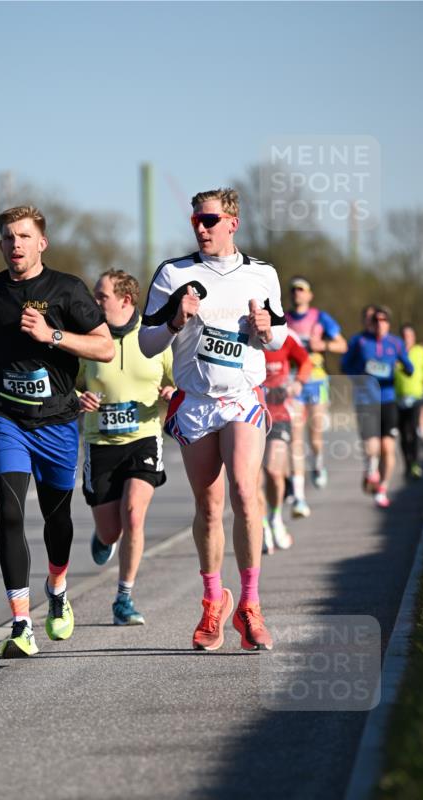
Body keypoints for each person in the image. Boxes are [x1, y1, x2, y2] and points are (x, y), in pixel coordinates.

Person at [139, 187, 288, 652]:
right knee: (208, 507)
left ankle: (250, 604)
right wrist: (175, 323)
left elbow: (279, 338)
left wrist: (266, 330)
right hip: (196, 402)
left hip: (242, 397)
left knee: (245, 492)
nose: (201, 228)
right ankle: (212, 600)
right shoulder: (173, 274)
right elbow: (146, 343)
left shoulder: (262, 274)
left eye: (209, 220)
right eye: (195, 221)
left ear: (232, 224)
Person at [0, 205, 114, 658]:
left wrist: (53, 336)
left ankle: (58, 587)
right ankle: (21, 623)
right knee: (10, 513)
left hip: (58, 421)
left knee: (57, 520)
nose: (16, 245)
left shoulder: (67, 290)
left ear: (41, 242)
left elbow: (105, 346)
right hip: (5, 417)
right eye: (8, 238)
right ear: (1, 244)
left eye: (24, 237)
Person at [78, 269, 174, 625]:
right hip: (100, 444)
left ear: (125, 300)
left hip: (144, 437)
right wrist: (78, 397)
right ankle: (104, 538)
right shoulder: (86, 339)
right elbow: (65, 385)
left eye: (100, 296)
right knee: (110, 531)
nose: (94, 302)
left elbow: (179, 382)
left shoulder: (153, 338)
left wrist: (171, 393)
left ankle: (124, 598)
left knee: (134, 513)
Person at [284, 277, 346, 515]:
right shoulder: (285, 319)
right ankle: (299, 496)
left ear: (309, 295)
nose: (297, 294)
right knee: (295, 438)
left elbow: (343, 345)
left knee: (316, 435)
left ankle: (318, 463)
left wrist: (324, 346)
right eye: (293, 290)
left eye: (301, 290)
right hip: (295, 382)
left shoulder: (321, 318)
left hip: (318, 380)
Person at [342, 305, 413, 508]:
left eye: (383, 320)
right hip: (366, 399)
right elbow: (345, 365)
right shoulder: (360, 341)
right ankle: (371, 469)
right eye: (376, 320)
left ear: (389, 323)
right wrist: (360, 375)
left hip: (388, 400)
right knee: (371, 445)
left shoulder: (396, 343)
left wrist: (406, 368)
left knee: (387, 447)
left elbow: (408, 366)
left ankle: (382, 488)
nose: (379, 324)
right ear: (371, 323)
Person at [261, 333, 313, 553]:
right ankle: (262, 526)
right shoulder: (241, 334)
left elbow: (305, 362)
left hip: (279, 414)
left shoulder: (285, 338)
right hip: (247, 413)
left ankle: (275, 518)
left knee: (273, 471)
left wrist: (298, 383)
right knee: (250, 480)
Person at [394, 324, 423, 479]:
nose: (406, 339)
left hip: (416, 396)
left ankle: (416, 463)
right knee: (403, 434)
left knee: (414, 429)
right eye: (403, 336)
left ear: (414, 337)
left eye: (409, 336)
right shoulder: (395, 352)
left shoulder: (421, 352)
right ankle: (407, 463)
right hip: (398, 397)